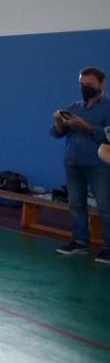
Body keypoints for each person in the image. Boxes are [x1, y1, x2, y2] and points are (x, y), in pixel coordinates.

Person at [51, 66, 110, 263]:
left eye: (89, 85)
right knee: (76, 204)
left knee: (105, 206)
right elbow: (59, 133)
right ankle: (79, 242)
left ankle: (108, 247)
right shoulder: (75, 107)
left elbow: (107, 135)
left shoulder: (108, 106)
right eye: (82, 85)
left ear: (102, 83)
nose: (85, 88)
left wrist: (85, 126)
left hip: (99, 164)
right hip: (73, 162)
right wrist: (59, 121)